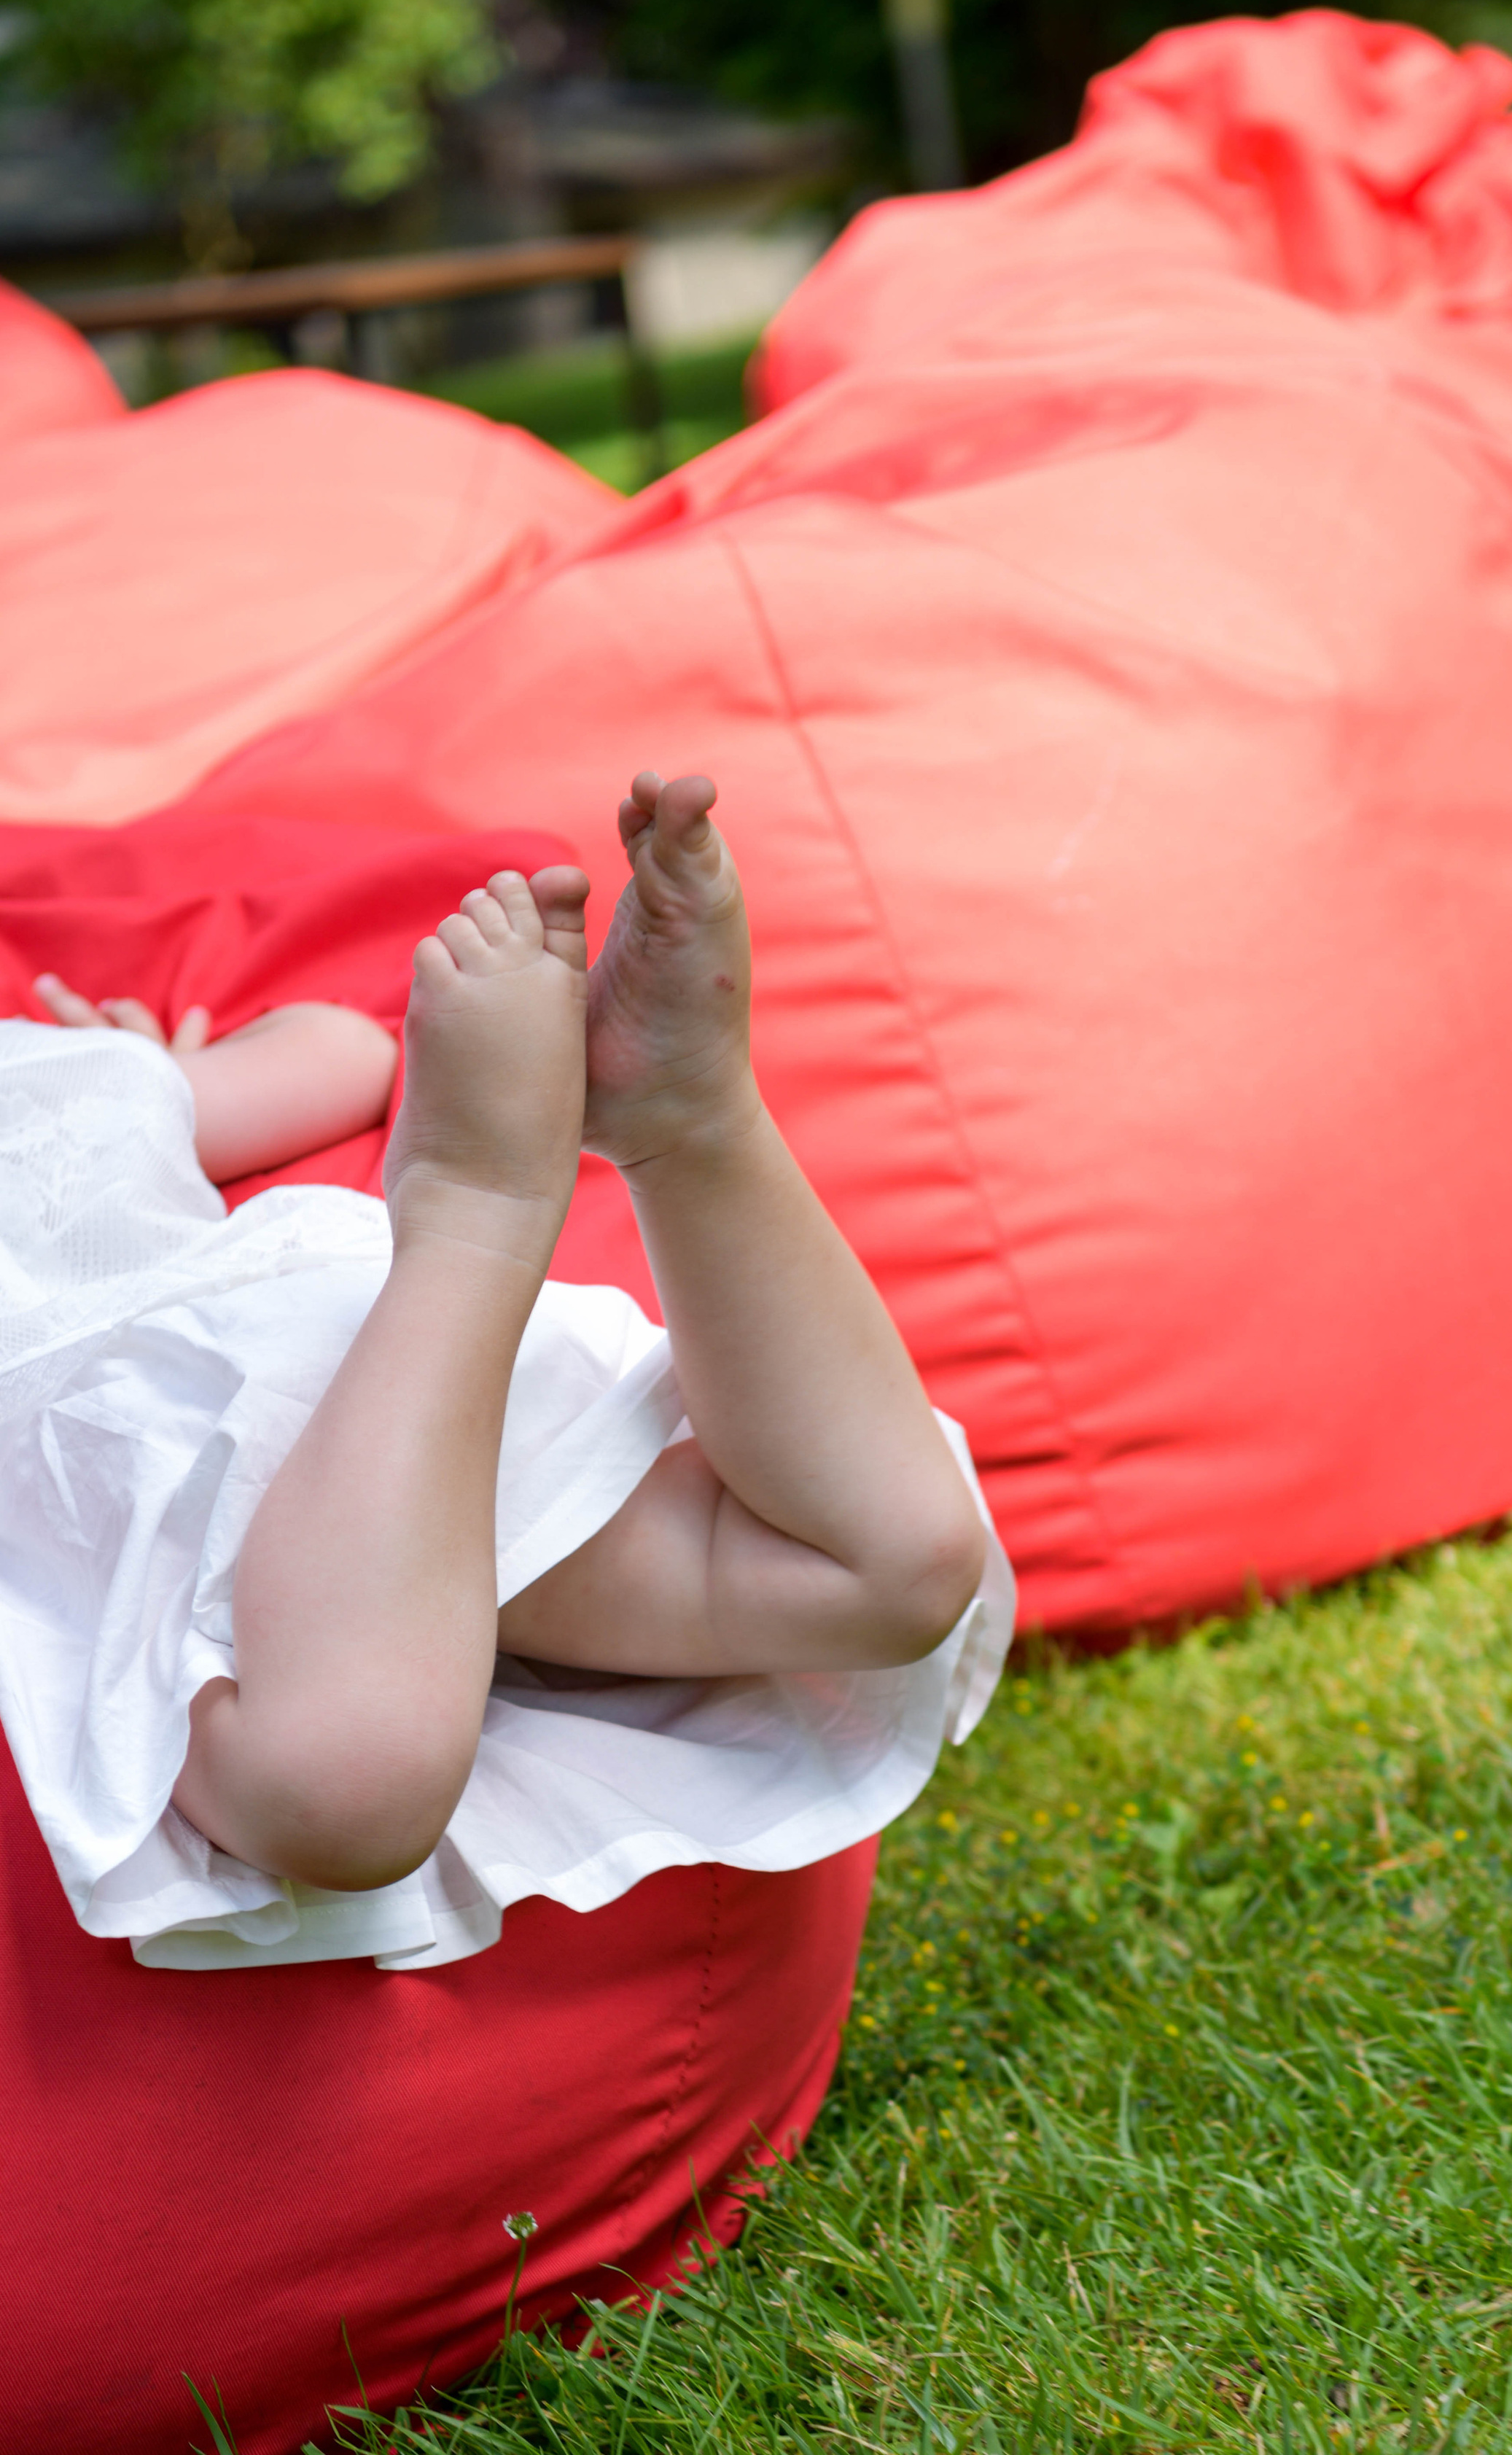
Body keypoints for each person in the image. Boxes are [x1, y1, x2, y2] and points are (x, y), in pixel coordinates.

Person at [2, 774, 1011, 1971]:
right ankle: (685, 1125)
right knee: (887, 1568)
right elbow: (341, 1054)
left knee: (341, 1785)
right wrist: (145, 1074)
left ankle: (500, 1205)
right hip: (293, 1357)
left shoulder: (50, 1084)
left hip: (191, 1431)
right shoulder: (50, 1086)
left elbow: (342, 1056)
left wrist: (134, 1073)